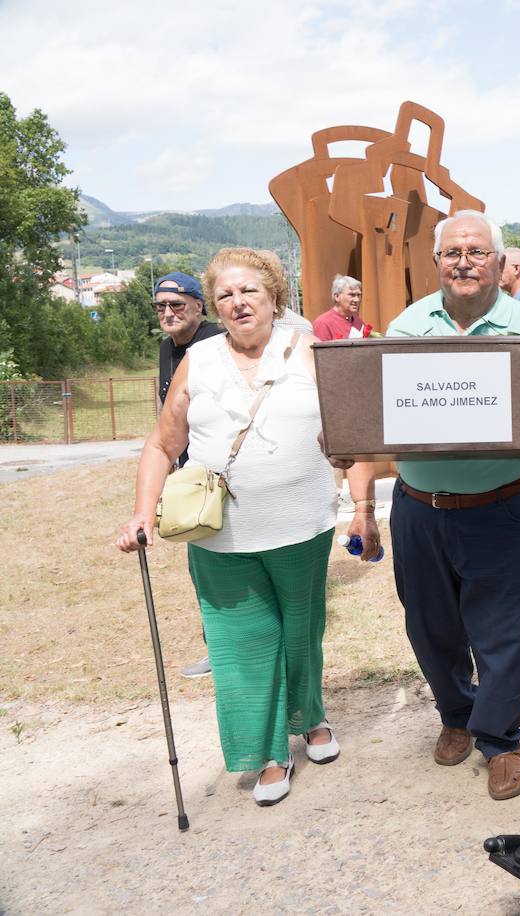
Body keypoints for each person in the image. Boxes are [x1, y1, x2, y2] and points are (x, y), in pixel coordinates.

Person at [117, 247, 380, 807]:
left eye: (249, 292)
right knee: (241, 645)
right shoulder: (200, 359)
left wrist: (362, 509)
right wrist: (143, 510)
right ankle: (264, 753)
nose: (238, 303)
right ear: (214, 305)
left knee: (301, 633)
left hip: (301, 526)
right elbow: (163, 443)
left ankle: (311, 716)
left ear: (274, 297)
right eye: (226, 295)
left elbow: (351, 437)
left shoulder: (309, 349)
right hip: (219, 536)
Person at [376, 211, 520, 800]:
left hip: (503, 504)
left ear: (498, 262)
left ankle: (499, 738)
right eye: (452, 253)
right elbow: (378, 408)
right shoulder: (406, 326)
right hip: (419, 506)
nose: (463, 261)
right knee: (429, 624)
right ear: (437, 262)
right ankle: (456, 714)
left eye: (475, 251)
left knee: (507, 631)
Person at [152, 271, 227, 679]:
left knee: (222, 566)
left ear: (199, 305)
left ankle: (232, 649)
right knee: (202, 566)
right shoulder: (167, 348)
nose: (168, 312)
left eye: (177, 304)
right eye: (161, 306)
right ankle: (217, 648)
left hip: (224, 475)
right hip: (191, 479)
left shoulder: (217, 342)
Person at [311, 275, 365, 340]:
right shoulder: (323, 323)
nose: (357, 300)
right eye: (352, 295)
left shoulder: (358, 321)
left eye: (358, 295)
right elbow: (319, 350)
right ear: (337, 296)